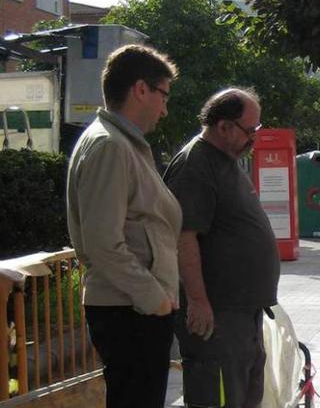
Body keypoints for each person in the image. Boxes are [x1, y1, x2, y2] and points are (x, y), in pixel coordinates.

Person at [66, 44, 181, 408]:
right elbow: (102, 243)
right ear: (141, 89)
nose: (165, 109)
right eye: (163, 95)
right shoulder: (110, 146)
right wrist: (155, 299)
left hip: (134, 308)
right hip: (130, 310)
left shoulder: (120, 143)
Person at [163, 88, 280, 408]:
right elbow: (183, 237)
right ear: (224, 126)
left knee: (244, 396)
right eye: (250, 130)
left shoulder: (225, 160)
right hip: (216, 318)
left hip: (241, 316)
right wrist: (198, 301)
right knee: (219, 398)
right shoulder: (196, 164)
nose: (254, 139)